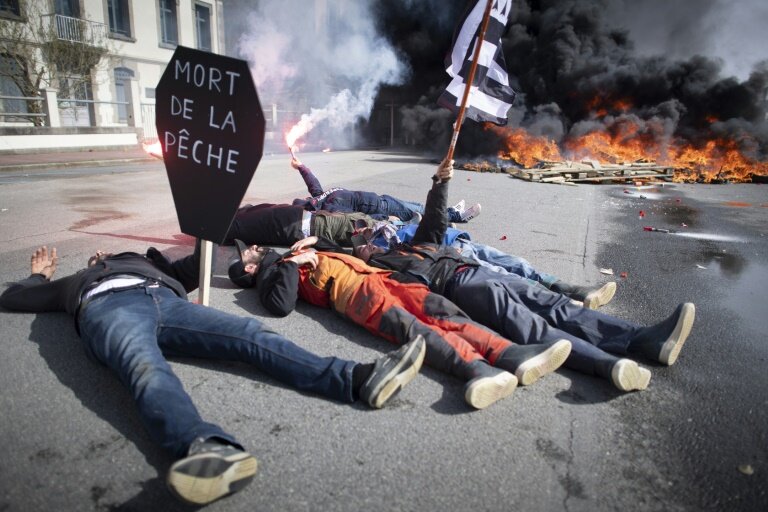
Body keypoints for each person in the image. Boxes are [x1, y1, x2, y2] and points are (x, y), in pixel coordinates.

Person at [0, 244, 426, 506]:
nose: (98, 255)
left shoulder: (152, 264)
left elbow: (204, 253)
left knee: (249, 333)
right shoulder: (77, 281)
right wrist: (40, 275)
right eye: (94, 257)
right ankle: (205, 448)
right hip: (110, 309)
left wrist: (217, 212)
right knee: (144, 367)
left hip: (167, 302)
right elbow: (14, 298)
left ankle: (356, 379)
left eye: (103, 253)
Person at [353, 158, 696, 392]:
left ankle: (644, 340)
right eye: (361, 247)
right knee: (533, 327)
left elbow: (434, 219)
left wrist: (440, 181)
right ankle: (608, 365)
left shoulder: (409, 246)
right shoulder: (388, 271)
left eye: (367, 240)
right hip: (464, 288)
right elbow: (417, 300)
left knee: (560, 307)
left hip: (480, 272)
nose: (367, 244)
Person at [227, 237, 573, 410]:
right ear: (250, 270)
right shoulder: (271, 274)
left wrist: (314, 244)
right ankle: (477, 370)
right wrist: (293, 263)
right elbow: (280, 306)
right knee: (416, 328)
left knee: (440, 312)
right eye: (248, 253)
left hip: (381, 277)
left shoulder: (289, 252)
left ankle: (510, 354)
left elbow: (343, 251)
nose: (253, 247)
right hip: (356, 295)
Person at [363, 221, 617, 309]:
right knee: (503, 275)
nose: (365, 227)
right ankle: (562, 301)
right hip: (452, 255)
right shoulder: (384, 250)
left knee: (518, 263)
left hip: (462, 241)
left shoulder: (395, 222)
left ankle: (576, 290)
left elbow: (431, 217)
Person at [290, 157, 481, 223]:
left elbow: (313, 183)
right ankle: (456, 216)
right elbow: (354, 218)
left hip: (383, 200)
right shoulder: (328, 208)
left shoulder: (321, 196)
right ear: (308, 205)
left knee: (420, 207)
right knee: (421, 212)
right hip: (382, 209)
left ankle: (449, 212)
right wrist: (384, 219)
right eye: (306, 200)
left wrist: (301, 167)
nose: (309, 197)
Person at [222, 202, 379, 247]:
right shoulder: (367, 220)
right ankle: (219, 215)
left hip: (294, 227)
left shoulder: (367, 236)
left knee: (240, 227)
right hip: (297, 216)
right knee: (256, 210)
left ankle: (207, 227)